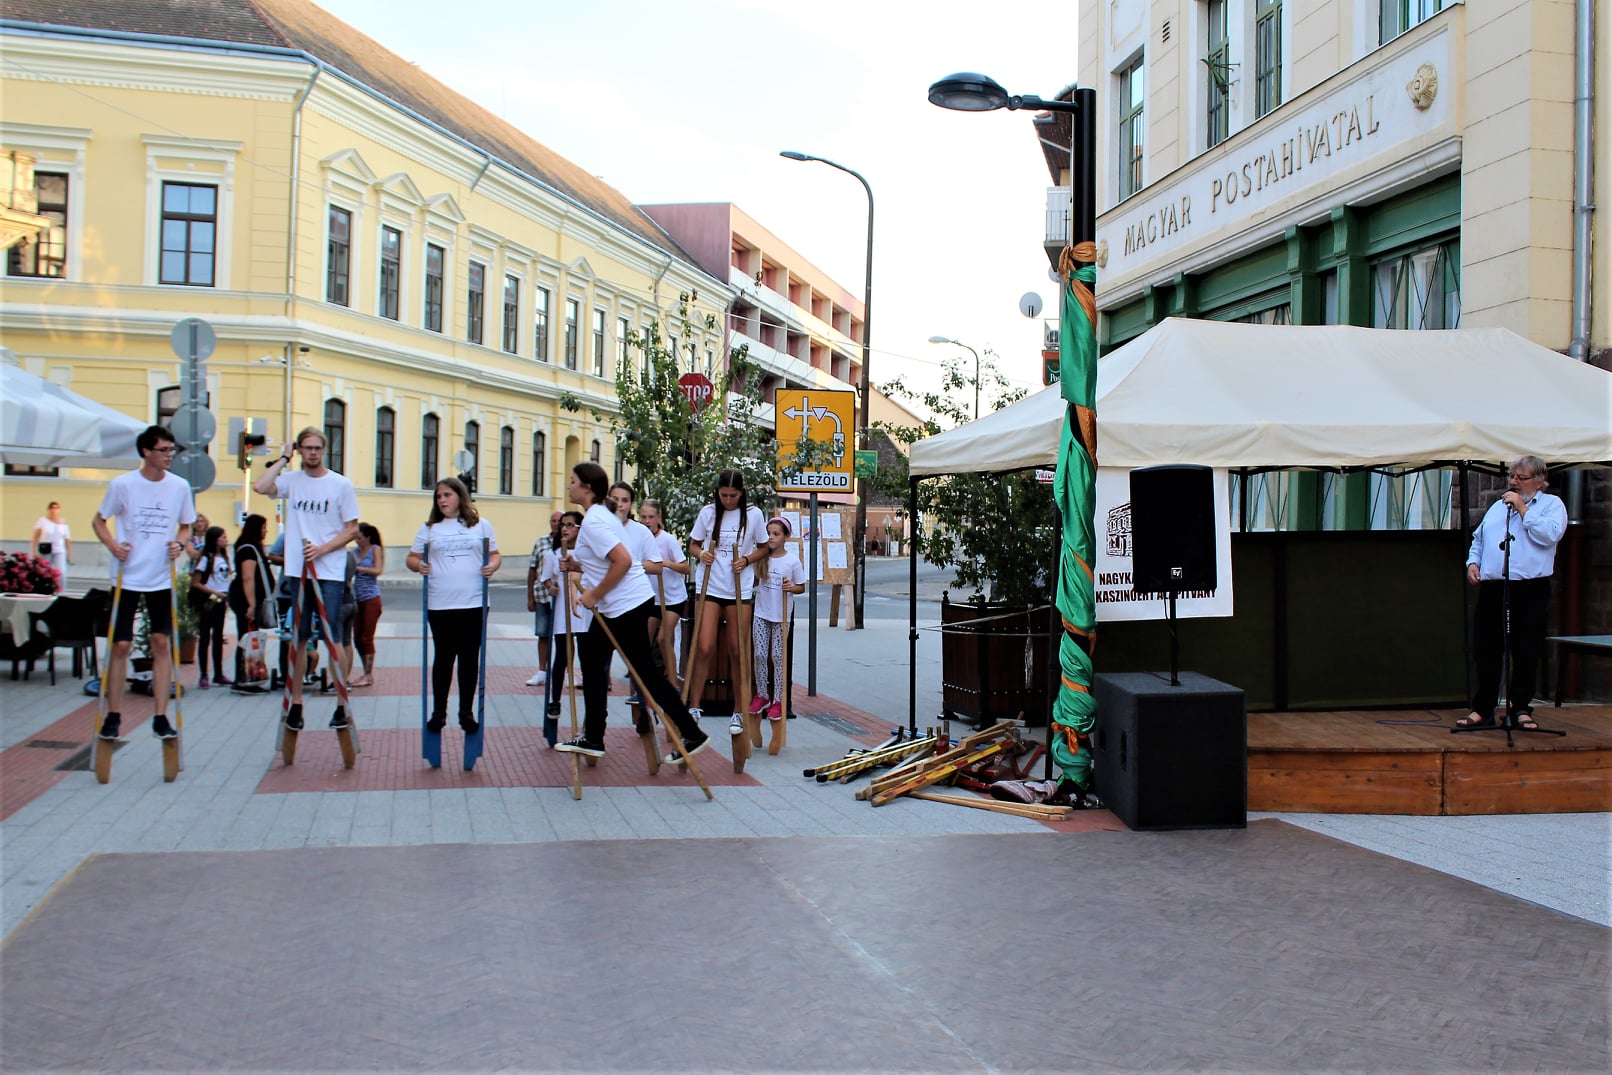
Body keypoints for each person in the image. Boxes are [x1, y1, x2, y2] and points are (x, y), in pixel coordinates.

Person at [555, 461, 707, 761]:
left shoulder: (595, 521)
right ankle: (594, 737)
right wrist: (578, 564)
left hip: (625, 605)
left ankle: (691, 733)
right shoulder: (601, 515)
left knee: (644, 673)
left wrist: (594, 593)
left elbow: (623, 562)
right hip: (621, 605)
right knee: (594, 659)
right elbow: (605, 559)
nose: (569, 485)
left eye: (573, 481)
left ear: (587, 487)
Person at [90, 424, 196, 742]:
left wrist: (179, 543)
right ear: (146, 452)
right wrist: (113, 546)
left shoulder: (179, 486)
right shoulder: (123, 485)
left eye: (171, 450)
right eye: (163, 450)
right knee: (121, 645)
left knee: (161, 643)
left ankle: (160, 716)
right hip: (127, 574)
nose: (169, 455)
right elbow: (99, 520)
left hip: (160, 575)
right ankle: (113, 714)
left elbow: (187, 526)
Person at [253, 426, 360, 732]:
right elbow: (260, 486)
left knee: (333, 637)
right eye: (307, 448)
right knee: (298, 638)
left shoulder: (340, 484)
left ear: (324, 450)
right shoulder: (292, 480)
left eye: (317, 448)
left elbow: (352, 529)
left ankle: (341, 702)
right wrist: (283, 458)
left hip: (329, 572)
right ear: (300, 450)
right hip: (298, 571)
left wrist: (323, 549)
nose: (312, 453)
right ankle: (296, 702)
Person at [1456, 455, 1568, 730]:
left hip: (1529, 589)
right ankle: (1483, 709)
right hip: (1495, 587)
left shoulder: (1552, 505)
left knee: (1526, 649)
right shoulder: (1498, 507)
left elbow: (1550, 535)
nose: (1514, 482)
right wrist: (1473, 563)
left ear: (1539, 481)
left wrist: (1522, 509)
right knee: (1486, 649)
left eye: (1521, 477)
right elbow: (1479, 539)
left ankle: (1520, 709)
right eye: (1512, 476)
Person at [406, 477, 500, 734]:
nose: (442, 500)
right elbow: (411, 558)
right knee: (444, 657)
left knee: (469, 657)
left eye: (447, 495)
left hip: (473, 602)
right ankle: (439, 712)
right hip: (440, 603)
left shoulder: (481, 525)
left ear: (460, 496)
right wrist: (419, 565)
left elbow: (494, 553)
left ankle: (466, 712)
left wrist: (492, 566)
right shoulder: (430, 529)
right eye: (439, 496)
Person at [686, 468, 768, 724]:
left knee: (737, 648)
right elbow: (693, 544)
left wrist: (746, 560)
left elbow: (764, 547)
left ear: (741, 493)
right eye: (724, 495)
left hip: (738, 587)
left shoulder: (753, 514)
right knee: (704, 646)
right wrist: (702, 554)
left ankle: (739, 709)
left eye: (733, 495)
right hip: (710, 585)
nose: (728, 500)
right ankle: (694, 706)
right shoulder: (708, 512)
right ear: (717, 492)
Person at [608, 480, 663, 703]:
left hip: (633, 602)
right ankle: (595, 720)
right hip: (605, 602)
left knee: (639, 659)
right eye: (615, 500)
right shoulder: (599, 529)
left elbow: (657, 565)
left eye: (625, 500)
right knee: (598, 661)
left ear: (631, 504)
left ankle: (645, 706)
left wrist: (631, 566)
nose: (620, 505)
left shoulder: (640, 532)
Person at [749, 516, 806, 726]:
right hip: (761, 613)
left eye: (776, 534)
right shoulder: (762, 558)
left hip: (781, 616)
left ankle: (778, 700)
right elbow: (753, 582)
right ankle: (762, 694)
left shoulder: (792, 561)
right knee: (760, 654)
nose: (771, 537)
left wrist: (791, 587)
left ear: (785, 537)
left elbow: (801, 587)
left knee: (778, 657)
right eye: (769, 534)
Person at [543, 511, 590, 724]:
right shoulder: (553, 554)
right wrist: (551, 587)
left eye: (570, 525)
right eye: (563, 524)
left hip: (584, 608)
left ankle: (591, 705)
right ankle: (555, 700)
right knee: (561, 655)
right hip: (563, 610)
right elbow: (547, 579)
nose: (564, 528)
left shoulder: (587, 553)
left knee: (587, 658)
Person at [641, 498, 690, 687]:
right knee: (643, 641)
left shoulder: (668, 540)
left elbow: (686, 568)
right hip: (652, 598)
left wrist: (666, 563)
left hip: (673, 598)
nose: (647, 521)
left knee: (663, 639)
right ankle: (644, 685)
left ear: (658, 517)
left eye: (651, 517)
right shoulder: (641, 540)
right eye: (644, 517)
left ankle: (672, 683)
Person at [228, 514, 273, 686]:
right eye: (263, 528)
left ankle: (248, 676)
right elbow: (248, 578)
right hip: (245, 599)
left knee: (249, 636)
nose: (266, 531)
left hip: (248, 598)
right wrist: (252, 604)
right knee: (246, 638)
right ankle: (243, 678)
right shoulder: (248, 549)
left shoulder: (251, 547)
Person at [189, 524, 232, 689]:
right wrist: (214, 592)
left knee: (218, 637)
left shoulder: (225, 556)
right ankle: (203, 674)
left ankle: (218, 673)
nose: (226, 540)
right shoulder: (206, 558)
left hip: (221, 600)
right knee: (205, 637)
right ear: (215, 540)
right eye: (223, 537)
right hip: (209, 600)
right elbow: (196, 582)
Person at [525, 510, 562, 687]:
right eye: (553, 521)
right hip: (542, 594)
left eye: (559, 521)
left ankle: (566, 672)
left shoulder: (570, 542)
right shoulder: (540, 542)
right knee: (543, 633)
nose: (556, 524)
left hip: (561, 596)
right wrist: (530, 597)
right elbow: (532, 569)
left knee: (564, 636)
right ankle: (542, 670)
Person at [350, 523, 384, 687]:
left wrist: (359, 567)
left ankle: (369, 674)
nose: (357, 541)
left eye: (359, 538)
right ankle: (365, 671)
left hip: (371, 598)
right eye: (355, 538)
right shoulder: (354, 552)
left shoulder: (375, 549)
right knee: (357, 637)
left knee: (367, 637)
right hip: (357, 598)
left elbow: (378, 570)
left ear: (367, 537)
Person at [31, 501, 71, 588]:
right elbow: (35, 537)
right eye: (52, 508)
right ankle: (43, 589)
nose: (54, 510)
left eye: (56, 508)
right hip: (46, 549)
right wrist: (34, 551)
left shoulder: (63, 523)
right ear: (49, 509)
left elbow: (67, 539)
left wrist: (68, 554)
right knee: (44, 572)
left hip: (59, 550)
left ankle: (60, 591)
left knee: (61, 572)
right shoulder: (43, 521)